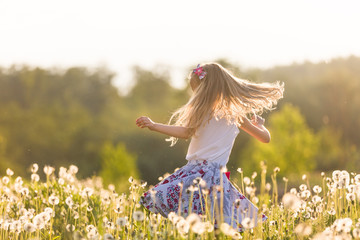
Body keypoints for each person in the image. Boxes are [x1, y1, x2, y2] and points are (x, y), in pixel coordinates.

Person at [135, 63, 284, 231]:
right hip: (213, 176)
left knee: (156, 201)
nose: (195, 95)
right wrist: (261, 125)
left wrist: (155, 126)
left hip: (198, 173)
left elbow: (185, 132)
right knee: (216, 223)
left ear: (206, 90)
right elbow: (265, 138)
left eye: (196, 90)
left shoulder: (204, 110)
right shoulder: (236, 114)